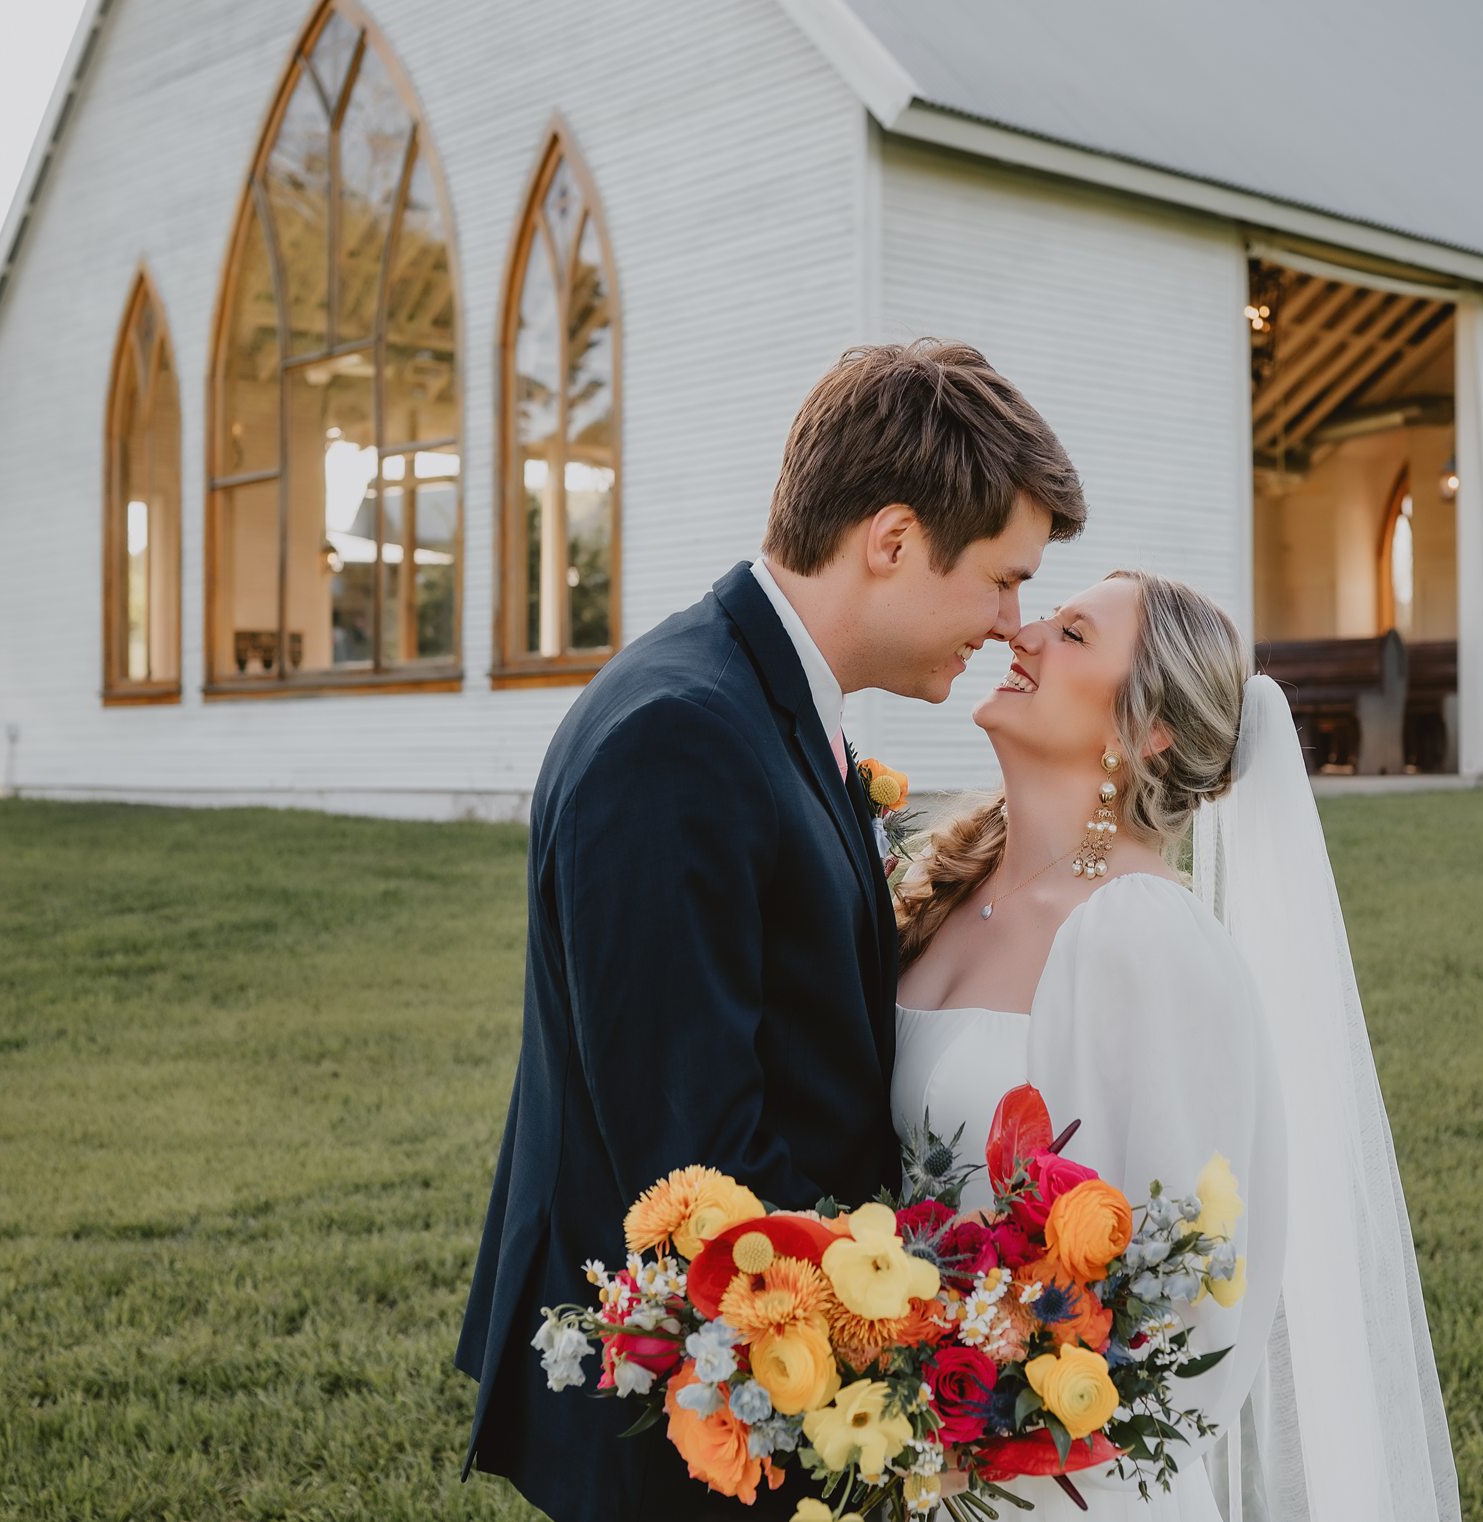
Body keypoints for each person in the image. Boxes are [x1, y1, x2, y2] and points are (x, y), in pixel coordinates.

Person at [455, 339, 1087, 1522]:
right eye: (1003, 578)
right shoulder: (679, 740)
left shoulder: (764, 698)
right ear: (892, 541)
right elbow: (695, 1153)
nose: (1014, 623)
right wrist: (925, 1329)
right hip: (691, 1416)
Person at [892, 571, 1461, 1521]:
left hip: (1061, 1491)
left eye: (1072, 634)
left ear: (1143, 730)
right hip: (902, 1454)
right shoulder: (951, 880)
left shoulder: (1142, 936)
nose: (1022, 635)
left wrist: (983, 1435)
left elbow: (1183, 1302)